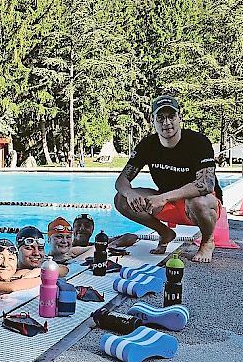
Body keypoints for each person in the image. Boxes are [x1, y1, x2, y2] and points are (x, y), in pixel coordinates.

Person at [115, 95, 221, 263]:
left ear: (180, 117)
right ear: (153, 120)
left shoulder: (198, 142)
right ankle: (165, 233)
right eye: (160, 117)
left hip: (198, 206)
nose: (166, 123)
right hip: (166, 202)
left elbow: (206, 184)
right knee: (121, 199)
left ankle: (207, 242)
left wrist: (163, 197)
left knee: (198, 202)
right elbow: (121, 180)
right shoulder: (147, 145)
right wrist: (129, 193)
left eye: (171, 116)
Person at [72, 213, 138, 249]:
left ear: (92, 230)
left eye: (87, 226)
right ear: (72, 229)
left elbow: (132, 237)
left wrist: (113, 244)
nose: (82, 228)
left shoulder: (96, 245)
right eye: (78, 225)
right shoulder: (65, 247)